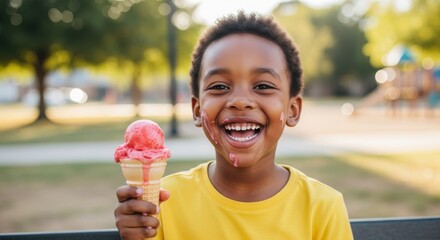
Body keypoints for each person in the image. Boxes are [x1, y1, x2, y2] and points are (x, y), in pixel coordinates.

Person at [114, 11, 353, 240]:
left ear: (293, 109)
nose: (239, 101)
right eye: (219, 86)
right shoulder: (161, 203)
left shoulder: (322, 206)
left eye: (262, 86)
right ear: (197, 110)